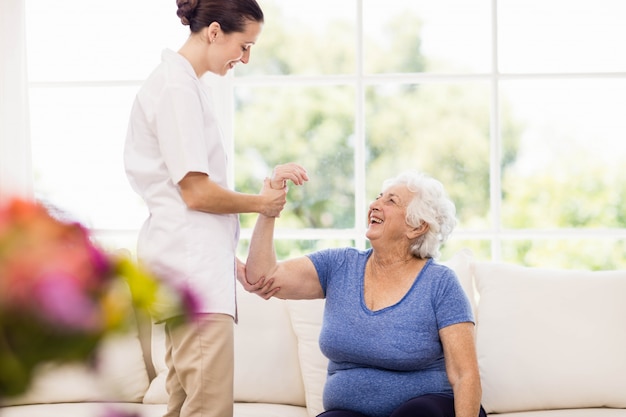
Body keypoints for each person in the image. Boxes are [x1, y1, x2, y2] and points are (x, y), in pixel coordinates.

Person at [123, 1, 308, 417]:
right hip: (193, 278)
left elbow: (188, 205)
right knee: (208, 408)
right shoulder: (176, 88)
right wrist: (263, 203)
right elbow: (196, 193)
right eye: (243, 46)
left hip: (190, 268)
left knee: (185, 403)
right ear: (213, 32)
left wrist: (231, 262)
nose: (244, 58)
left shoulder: (181, 84)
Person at [242, 170, 487, 417]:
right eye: (378, 197)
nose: (374, 205)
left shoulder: (440, 283)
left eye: (390, 201)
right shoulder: (339, 266)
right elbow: (262, 276)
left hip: (429, 408)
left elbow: (465, 374)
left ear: (417, 226)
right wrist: (268, 208)